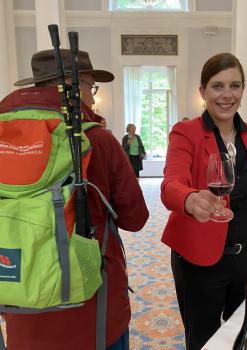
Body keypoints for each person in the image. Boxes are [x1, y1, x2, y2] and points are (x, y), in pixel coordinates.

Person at [0, 49, 149, 350]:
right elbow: (136, 218)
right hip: (90, 314)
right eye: (90, 87)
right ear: (70, 84)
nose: (92, 99)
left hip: (19, 303)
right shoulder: (96, 139)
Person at [160, 53, 247, 350]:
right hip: (200, 261)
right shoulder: (187, 133)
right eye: (217, 86)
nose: (227, 95)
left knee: (245, 335)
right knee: (204, 340)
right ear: (203, 92)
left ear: (243, 90)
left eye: (235, 85)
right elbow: (171, 184)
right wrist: (190, 199)